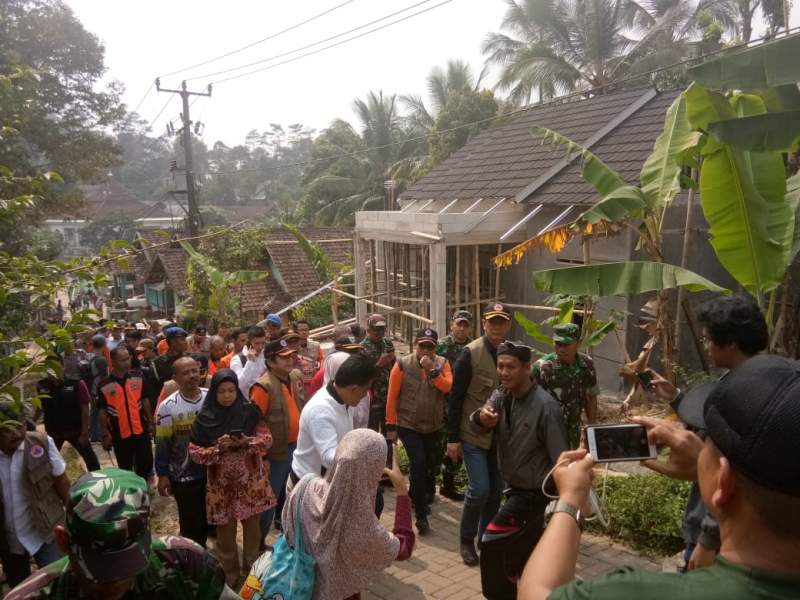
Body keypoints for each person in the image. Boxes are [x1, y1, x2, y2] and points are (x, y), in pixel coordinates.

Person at [518, 354, 800, 600]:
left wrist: (570, 499)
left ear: (723, 482)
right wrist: (705, 467)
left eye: (705, 440)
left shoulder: (637, 592)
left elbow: (536, 592)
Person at [647, 295, 768, 572]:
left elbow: (735, 474)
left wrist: (708, 539)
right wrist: (677, 398)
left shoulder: (745, 396)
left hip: (720, 530)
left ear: (731, 343)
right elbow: (711, 425)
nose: (705, 346)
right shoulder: (745, 380)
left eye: (708, 339)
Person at [6, 468, 238, 600]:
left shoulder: (187, 564)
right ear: (63, 541)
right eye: (101, 569)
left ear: (149, 535)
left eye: (127, 563)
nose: (115, 582)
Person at [470, 341, 569, 599]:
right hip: (513, 489)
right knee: (522, 558)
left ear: (527, 368)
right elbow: (477, 423)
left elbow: (561, 460)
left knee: (491, 544)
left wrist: (562, 506)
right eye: (500, 366)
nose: (504, 372)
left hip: (535, 496)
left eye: (510, 367)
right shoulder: (502, 395)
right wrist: (481, 417)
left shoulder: (546, 407)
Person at [279, 429, 415, 600]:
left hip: (294, 588)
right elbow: (403, 547)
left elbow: (287, 527)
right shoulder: (364, 528)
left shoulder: (305, 486)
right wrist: (402, 491)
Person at [190, 369, 275, 587]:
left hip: (250, 484)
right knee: (225, 534)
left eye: (231, 390)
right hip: (222, 487)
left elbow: (267, 439)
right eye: (221, 391)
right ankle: (230, 575)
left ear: (237, 390)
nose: (227, 395)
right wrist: (217, 449)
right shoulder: (204, 419)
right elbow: (194, 453)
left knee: (252, 530)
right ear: (213, 393)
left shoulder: (250, 412)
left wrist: (248, 441)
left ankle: (252, 573)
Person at [448, 302, 511, 566]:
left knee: (496, 491)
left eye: (501, 322)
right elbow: (455, 398)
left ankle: (486, 539)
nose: (496, 326)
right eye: (492, 321)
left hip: (500, 438)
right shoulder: (470, 353)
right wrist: (452, 439)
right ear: (484, 324)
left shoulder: (513, 354)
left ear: (508, 325)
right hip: (472, 434)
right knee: (480, 489)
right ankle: (466, 540)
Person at [386, 328, 453, 535]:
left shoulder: (443, 363)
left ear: (435, 348)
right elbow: (392, 397)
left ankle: (419, 497)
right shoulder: (402, 364)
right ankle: (421, 516)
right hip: (409, 425)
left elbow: (448, 387)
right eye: (422, 346)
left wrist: (433, 371)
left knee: (431, 465)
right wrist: (391, 426)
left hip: (433, 425)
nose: (425, 350)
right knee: (418, 462)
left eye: (429, 347)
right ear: (416, 345)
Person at [0, 403, 70, 589]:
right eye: (8, 430)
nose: (17, 434)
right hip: (10, 541)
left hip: (45, 532)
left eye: (20, 426)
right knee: (20, 586)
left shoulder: (42, 443)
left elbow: (62, 483)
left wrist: (73, 519)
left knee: (57, 583)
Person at [249, 338, 304, 539]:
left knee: (289, 495)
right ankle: (257, 542)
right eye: (283, 357)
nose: (290, 360)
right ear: (271, 362)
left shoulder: (291, 378)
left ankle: (286, 536)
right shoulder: (263, 387)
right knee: (268, 499)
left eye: (290, 356)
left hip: (294, 447)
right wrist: (263, 457)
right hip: (274, 454)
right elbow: (254, 425)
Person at [291, 353, 377, 482]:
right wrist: (365, 457)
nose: (365, 395)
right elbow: (329, 457)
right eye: (365, 390)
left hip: (329, 478)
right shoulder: (320, 410)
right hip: (308, 483)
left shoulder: (345, 397)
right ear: (353, 389)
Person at [155, 356, 209, 547]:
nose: (192, 376)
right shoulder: (167, 407)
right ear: (175, 378)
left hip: (211, 472)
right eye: (186, 373)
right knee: (191, 522)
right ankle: (192, 555)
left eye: (194, 371)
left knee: (210, 518)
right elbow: (162, 444)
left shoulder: (211, 397)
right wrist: (162, 475)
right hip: (183, 476)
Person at [532, 323, 598, 449]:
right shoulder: (543, 368)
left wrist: (592, 428)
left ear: (578, 343)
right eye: (558, 344)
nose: (561, 349)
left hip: (574, 432)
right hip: (547, 433)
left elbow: (591, 397)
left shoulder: (587, 365)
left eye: (566, 344)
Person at [97, 346, 154, 480]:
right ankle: (131, 489)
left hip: (140, 430)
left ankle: (144, 486)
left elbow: (145, 399)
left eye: (128, 358)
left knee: (146, 464)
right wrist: (105, 434)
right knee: (125, 468)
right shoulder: (104, 385)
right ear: (113, 362)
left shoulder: (138, 377)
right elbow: (102, 410)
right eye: (122, 360)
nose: (127, 362)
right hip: (119, 434)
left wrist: (151, 422)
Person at [435, 309, 473, 501]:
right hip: (440, 402)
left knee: (455, 445)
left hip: (462, 404)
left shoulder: (473, 348)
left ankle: (448, 484)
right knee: (437, 444)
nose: (462, 328)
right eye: (459, 324)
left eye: (466, 325)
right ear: (451, 324)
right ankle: (429, 483)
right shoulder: (441, 346)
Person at [37, 369, 100, 472]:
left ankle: (98, 479)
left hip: (76, 431)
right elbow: (40, 406)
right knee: (47, 462)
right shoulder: (42, 385)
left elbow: (85, 408)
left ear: (61, 367)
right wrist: (31, 422)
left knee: (91, 461)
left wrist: (84, 433)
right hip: (54, 432)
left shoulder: (76, 384)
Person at [360, 313, 395, 433]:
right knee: (372, 433)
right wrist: (379, 364)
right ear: (368, 330)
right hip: (372, 399)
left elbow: (393, 367)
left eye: (382, 330)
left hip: (388, 397)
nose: (380, 333)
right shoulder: (361, 348)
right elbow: (361, 377)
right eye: (377, 331)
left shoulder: (387, 343)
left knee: (389, 434)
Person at [230, 325, 268, 398]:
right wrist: (250, 362)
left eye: (263, 343)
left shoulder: (267, 356)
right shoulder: (237, 359)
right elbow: (239, 384)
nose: (260, 347)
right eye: (256, 343)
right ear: (249, 342)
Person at [152, 326, 189, 398]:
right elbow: (154, 390)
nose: (186, 342)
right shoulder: (157, 364)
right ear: (173, 342)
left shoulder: (189, 359)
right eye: (183, 339)